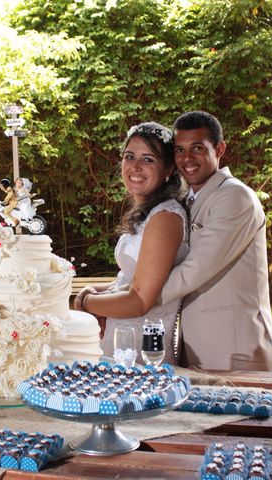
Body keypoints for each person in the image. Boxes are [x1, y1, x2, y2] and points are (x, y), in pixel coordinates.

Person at [160, 111, 272, 372]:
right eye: (180, 150)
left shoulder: (235, 197)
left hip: (236, 348)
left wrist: (136, 300)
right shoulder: (185, 199)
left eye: (197, 148)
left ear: (220, 149)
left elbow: (194, 271)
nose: (187, 158)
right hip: (194, 346)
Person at [74, 122, 188, 365]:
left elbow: (139, 300)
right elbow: (131, 280)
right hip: (119, 341)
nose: (135, 166)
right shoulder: (149, 213)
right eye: (129, 156)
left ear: (168, 168)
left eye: (148, 159)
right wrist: (91, 291)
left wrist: (86, 303)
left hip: (141, 353)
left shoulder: (166, 218)